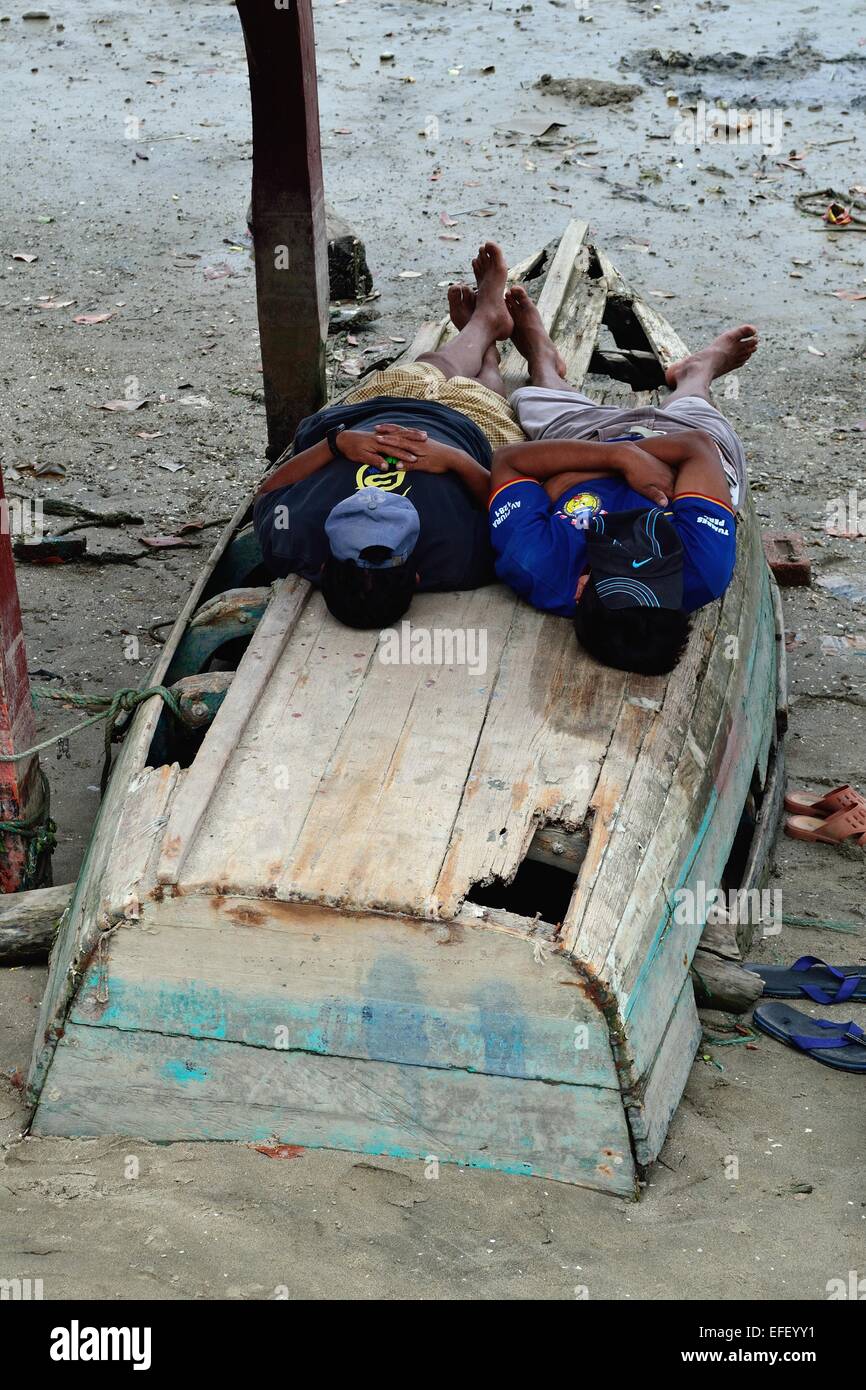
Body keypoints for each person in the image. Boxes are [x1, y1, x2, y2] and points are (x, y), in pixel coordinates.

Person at [488, 285, 758, 674]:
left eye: (624, 561)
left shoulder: (535, 563)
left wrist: (615, 457)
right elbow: (697, 449)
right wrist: (578, 475)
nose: (641, 549)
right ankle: (696, 375)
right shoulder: (702, 570)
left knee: (535, 400)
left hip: (590, 448)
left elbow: (509, 461)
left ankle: (544, 362)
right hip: (678, 445)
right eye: (656, 568)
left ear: (580, 589)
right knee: (693, 412)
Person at [253, 243, 524, 629]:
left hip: (374, 410)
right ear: (419, 575)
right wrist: (454, 459)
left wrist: (336, 444)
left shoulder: (291, 539)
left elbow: (266, 493)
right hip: (466, 431)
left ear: (324, 562)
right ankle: (489, 347)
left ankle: (485, 322)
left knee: (432, 366)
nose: (373, 502)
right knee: (486, 394)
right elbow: (508, 511)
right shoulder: (460, 558)